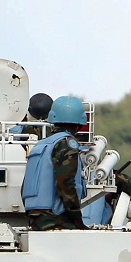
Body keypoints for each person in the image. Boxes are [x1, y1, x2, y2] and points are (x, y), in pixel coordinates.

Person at [21, 96, 90, 231]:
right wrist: (77, 219)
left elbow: (25, 187)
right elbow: (65, 184)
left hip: (35, 218)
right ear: (79, 125)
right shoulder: (66, 144)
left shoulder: (39, 146)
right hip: (56, 218)